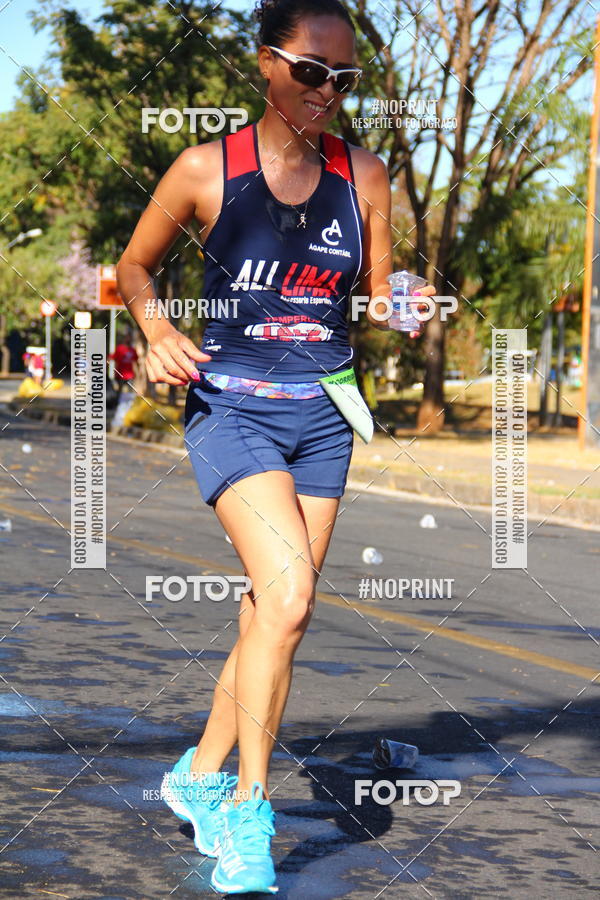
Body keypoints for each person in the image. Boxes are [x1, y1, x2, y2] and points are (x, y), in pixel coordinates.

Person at [116, 0, 435, 892]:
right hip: (232, 410)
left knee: (272, 614)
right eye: (310, 71)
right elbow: (134, 267)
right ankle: (248, 816)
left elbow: (375, 289)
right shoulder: (203, 169)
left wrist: (401, 296)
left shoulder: (364, 175)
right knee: (290, 598)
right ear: (265, 64)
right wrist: (154, 326)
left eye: (346, 79)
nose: (327, 92)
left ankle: (194, 775)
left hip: (326, 414)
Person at [109, 331, 138, 399]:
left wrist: (136, 373)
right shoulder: (119, 348)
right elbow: (111, 358)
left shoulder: (132, 350)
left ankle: (129, 405)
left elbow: (136, 362)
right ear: (124, 339)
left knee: (130, 392)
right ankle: (117, 404)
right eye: (127, 338)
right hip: (120, 374)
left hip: (130, 375)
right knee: (119, 392)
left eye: (130, 338)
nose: (128, 340)